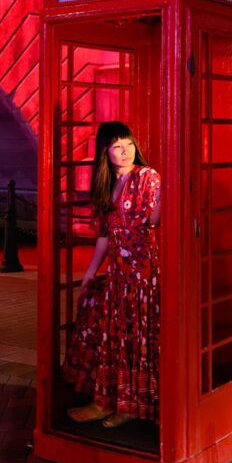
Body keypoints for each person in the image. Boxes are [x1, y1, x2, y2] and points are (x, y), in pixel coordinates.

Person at [63, 121, 161, 428]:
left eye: (129, 144)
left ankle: (132, 405)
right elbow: (105, 234)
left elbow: (158, 216)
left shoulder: (147, 177)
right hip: (119, 274)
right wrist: (91, 271)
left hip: (145, 275)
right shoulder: (107, 186)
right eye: (118, 146)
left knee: (136, 339)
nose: (126, 151)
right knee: (113, 338)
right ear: (105, 152)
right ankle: (109, 400)